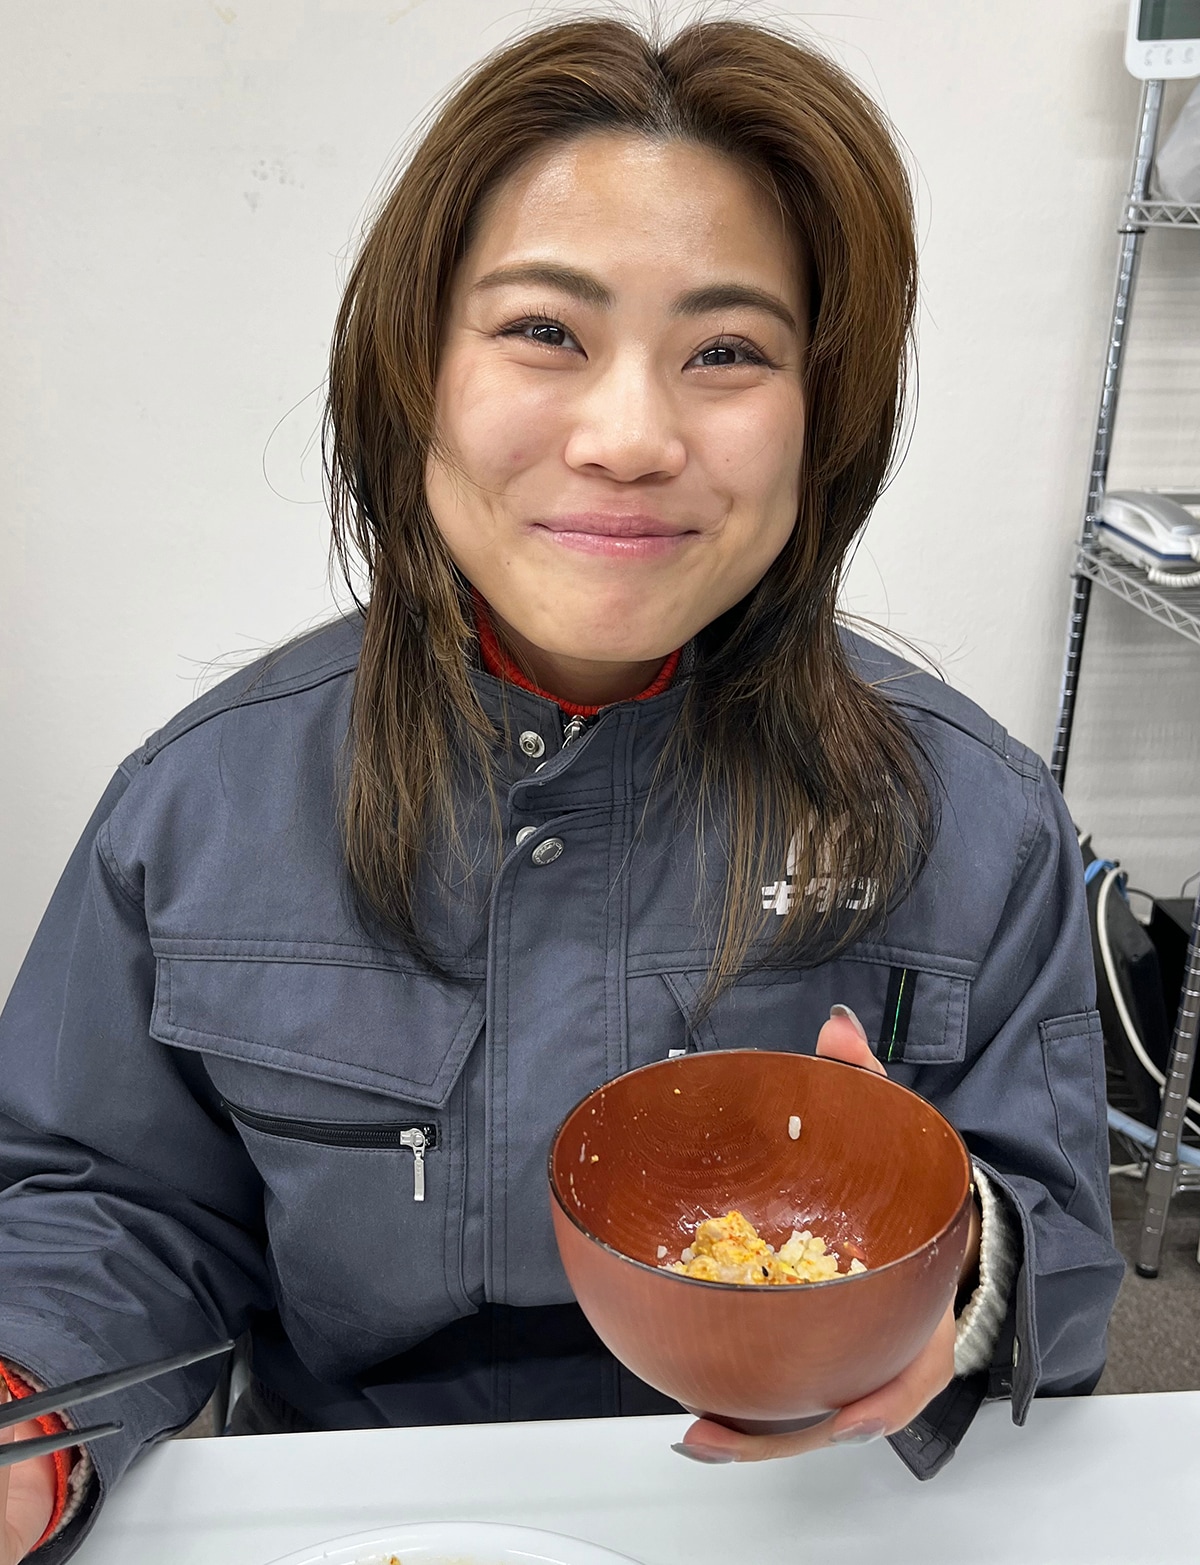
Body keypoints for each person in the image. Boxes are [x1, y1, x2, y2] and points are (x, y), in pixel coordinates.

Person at [0, 14, 1123, 1560]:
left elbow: (1063, 1270)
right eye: (544, 330)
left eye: (728, 352)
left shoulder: (973, 819)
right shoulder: (200, 806)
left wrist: (957, 1266)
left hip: (810, 1517)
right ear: (415, 372)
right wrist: (26, 1415)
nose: (631, 437)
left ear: (825, 416)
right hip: (373, 1517)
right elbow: (105, 1202)